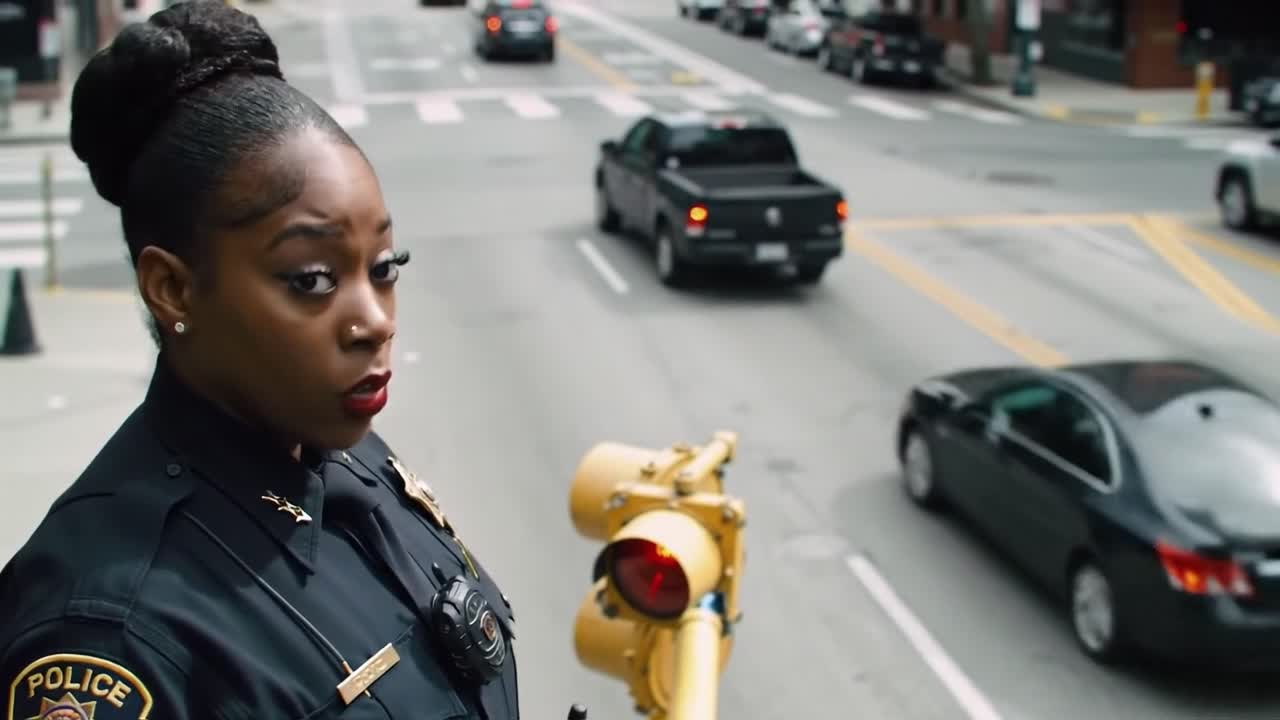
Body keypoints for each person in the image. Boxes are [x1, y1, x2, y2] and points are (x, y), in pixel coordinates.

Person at [0, 2, 520, 718]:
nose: (374, 322)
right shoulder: (111, 633)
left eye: (384, 266)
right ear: (173, 288)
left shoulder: (346, 457)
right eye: (311, 280)